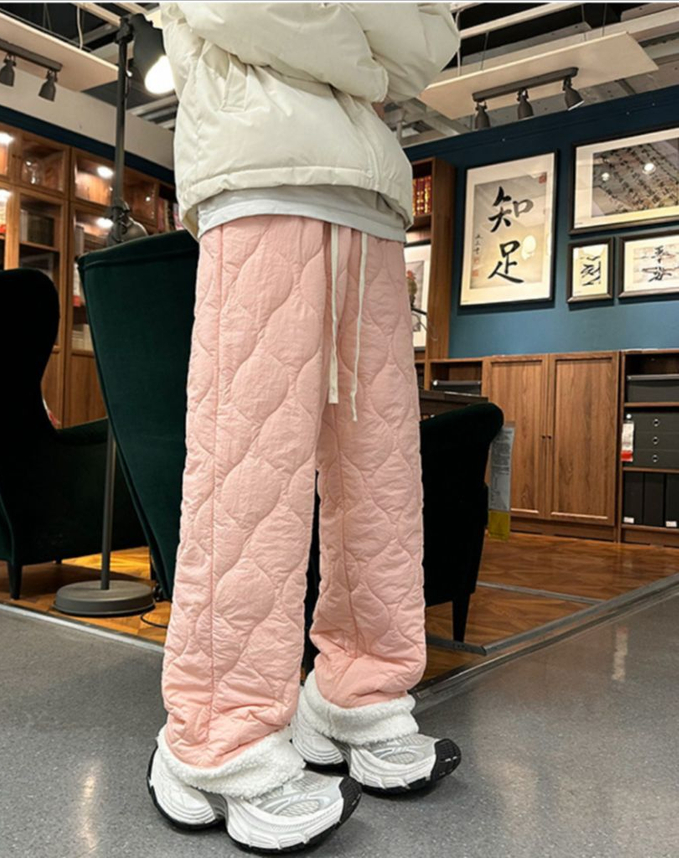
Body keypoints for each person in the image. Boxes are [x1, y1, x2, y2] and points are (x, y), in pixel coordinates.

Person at [147, 3, 461, 853]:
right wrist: (367, 61)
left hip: (372, 203)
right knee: (247, 478)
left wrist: (351, 50)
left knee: (382, 480)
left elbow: (429, 42)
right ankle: (212, 735)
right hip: (258, 177)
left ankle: (359, 691)